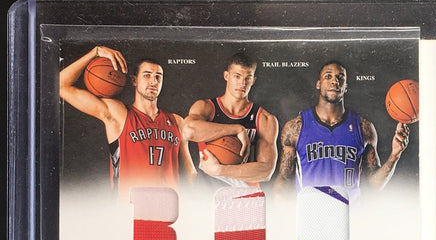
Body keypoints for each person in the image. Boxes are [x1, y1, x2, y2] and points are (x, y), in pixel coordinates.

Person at [58, 46, 195, 192]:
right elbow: (61, 85)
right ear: (134, 80)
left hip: (168, 204)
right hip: (129, 204)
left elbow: (190, 173)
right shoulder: (119, 114)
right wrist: (94, 52)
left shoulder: (177, 121)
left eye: (158, 77)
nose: (153, 81)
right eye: (147, 75)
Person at [275, 60, 409, 197]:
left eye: (340, 78)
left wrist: (394, 155)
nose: (334, 81)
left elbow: (373, 185)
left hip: (349, 208)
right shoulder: (296, 128)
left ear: (345, 86)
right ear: (318, 84)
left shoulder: (364, 128)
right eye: (328, 76)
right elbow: (284, 179)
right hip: (312, 208)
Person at [183, 50, 279, 186]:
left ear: (253, 80)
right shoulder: (207, 108)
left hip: (245, 192)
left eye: (248, 78)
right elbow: (188, 131)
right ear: (226, 76)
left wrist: (220, 170)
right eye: (237, 76)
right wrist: (237, 129)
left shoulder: (264, 119)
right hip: (207, 191)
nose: (242, 83)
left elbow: (266, 171)